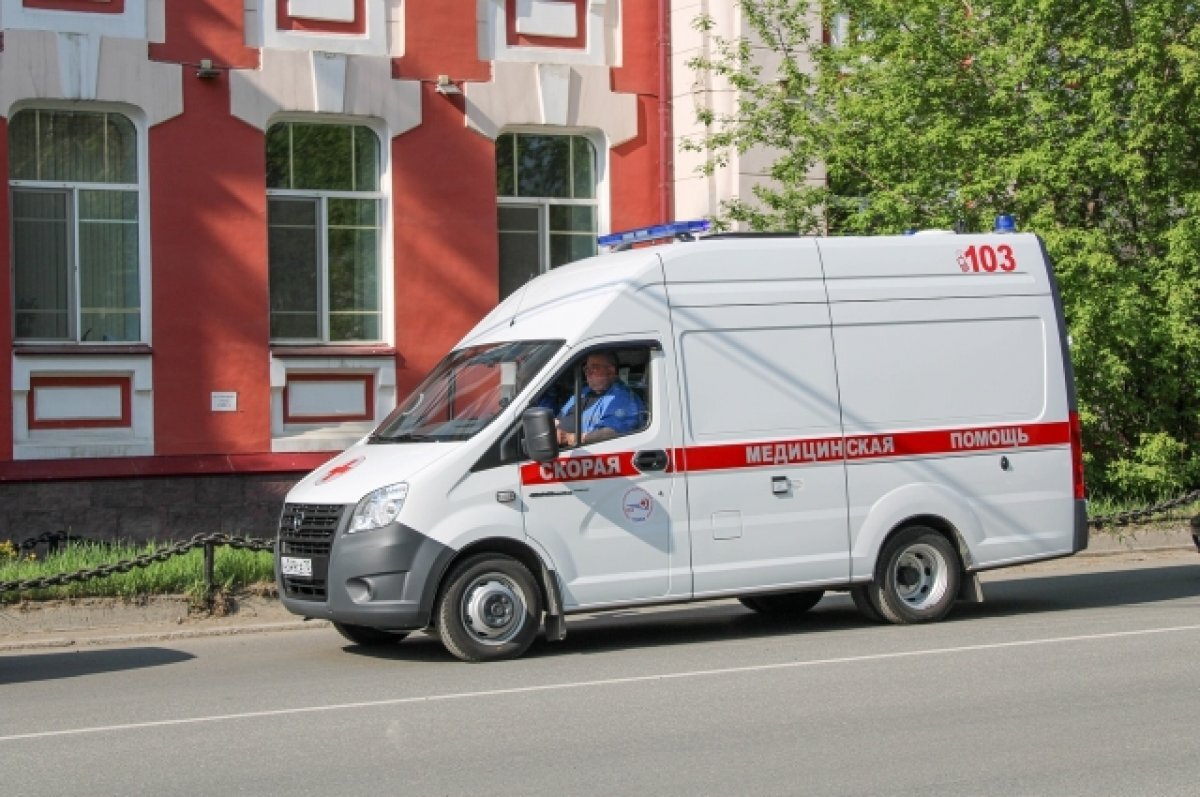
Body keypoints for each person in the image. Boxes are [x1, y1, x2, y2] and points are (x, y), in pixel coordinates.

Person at [556, 351, 644, 446]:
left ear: (611, 371)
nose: (588, 372)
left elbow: (612, 432)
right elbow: (558, 419)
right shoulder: (582, 392)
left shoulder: (622, 397)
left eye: (594, 368)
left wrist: (573, 438)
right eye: (586, 368)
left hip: (588, 452)